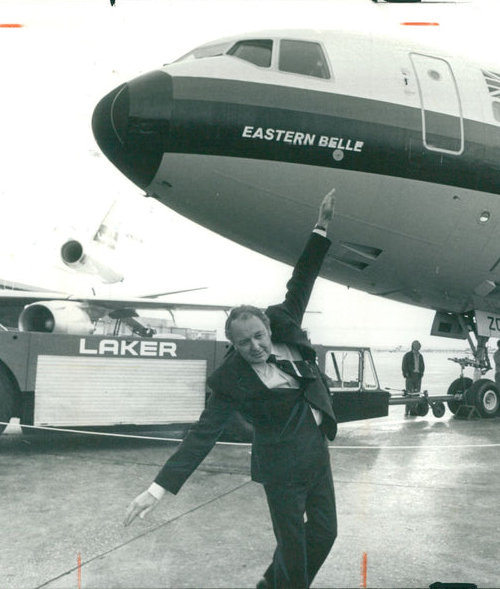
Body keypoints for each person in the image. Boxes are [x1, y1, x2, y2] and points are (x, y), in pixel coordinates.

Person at [124, 191, 339, 589]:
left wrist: (321, 226)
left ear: (268, 329)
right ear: (234, 347)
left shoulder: (284, 320)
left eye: (258, 337)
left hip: (316, 455)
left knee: (325, 534)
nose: (255, 347)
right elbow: (202, 435)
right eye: (245, 344)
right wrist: (157, 489)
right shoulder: (230, 380)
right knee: (293, 551)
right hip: (282, 471)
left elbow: (303, 277)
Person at [401, 340, 425, 415]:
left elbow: (422, 366)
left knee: (416, 394)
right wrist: (406, 374)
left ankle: (414, 411)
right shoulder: (407, 355)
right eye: (416, 345)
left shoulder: (420, 356)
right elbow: (404, 365)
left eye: (419, 345)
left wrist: (421, 373)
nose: (418, 347)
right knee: (409, 394)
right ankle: (407, 411)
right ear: (413, 346)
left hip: (418, 377)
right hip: (410, 376)